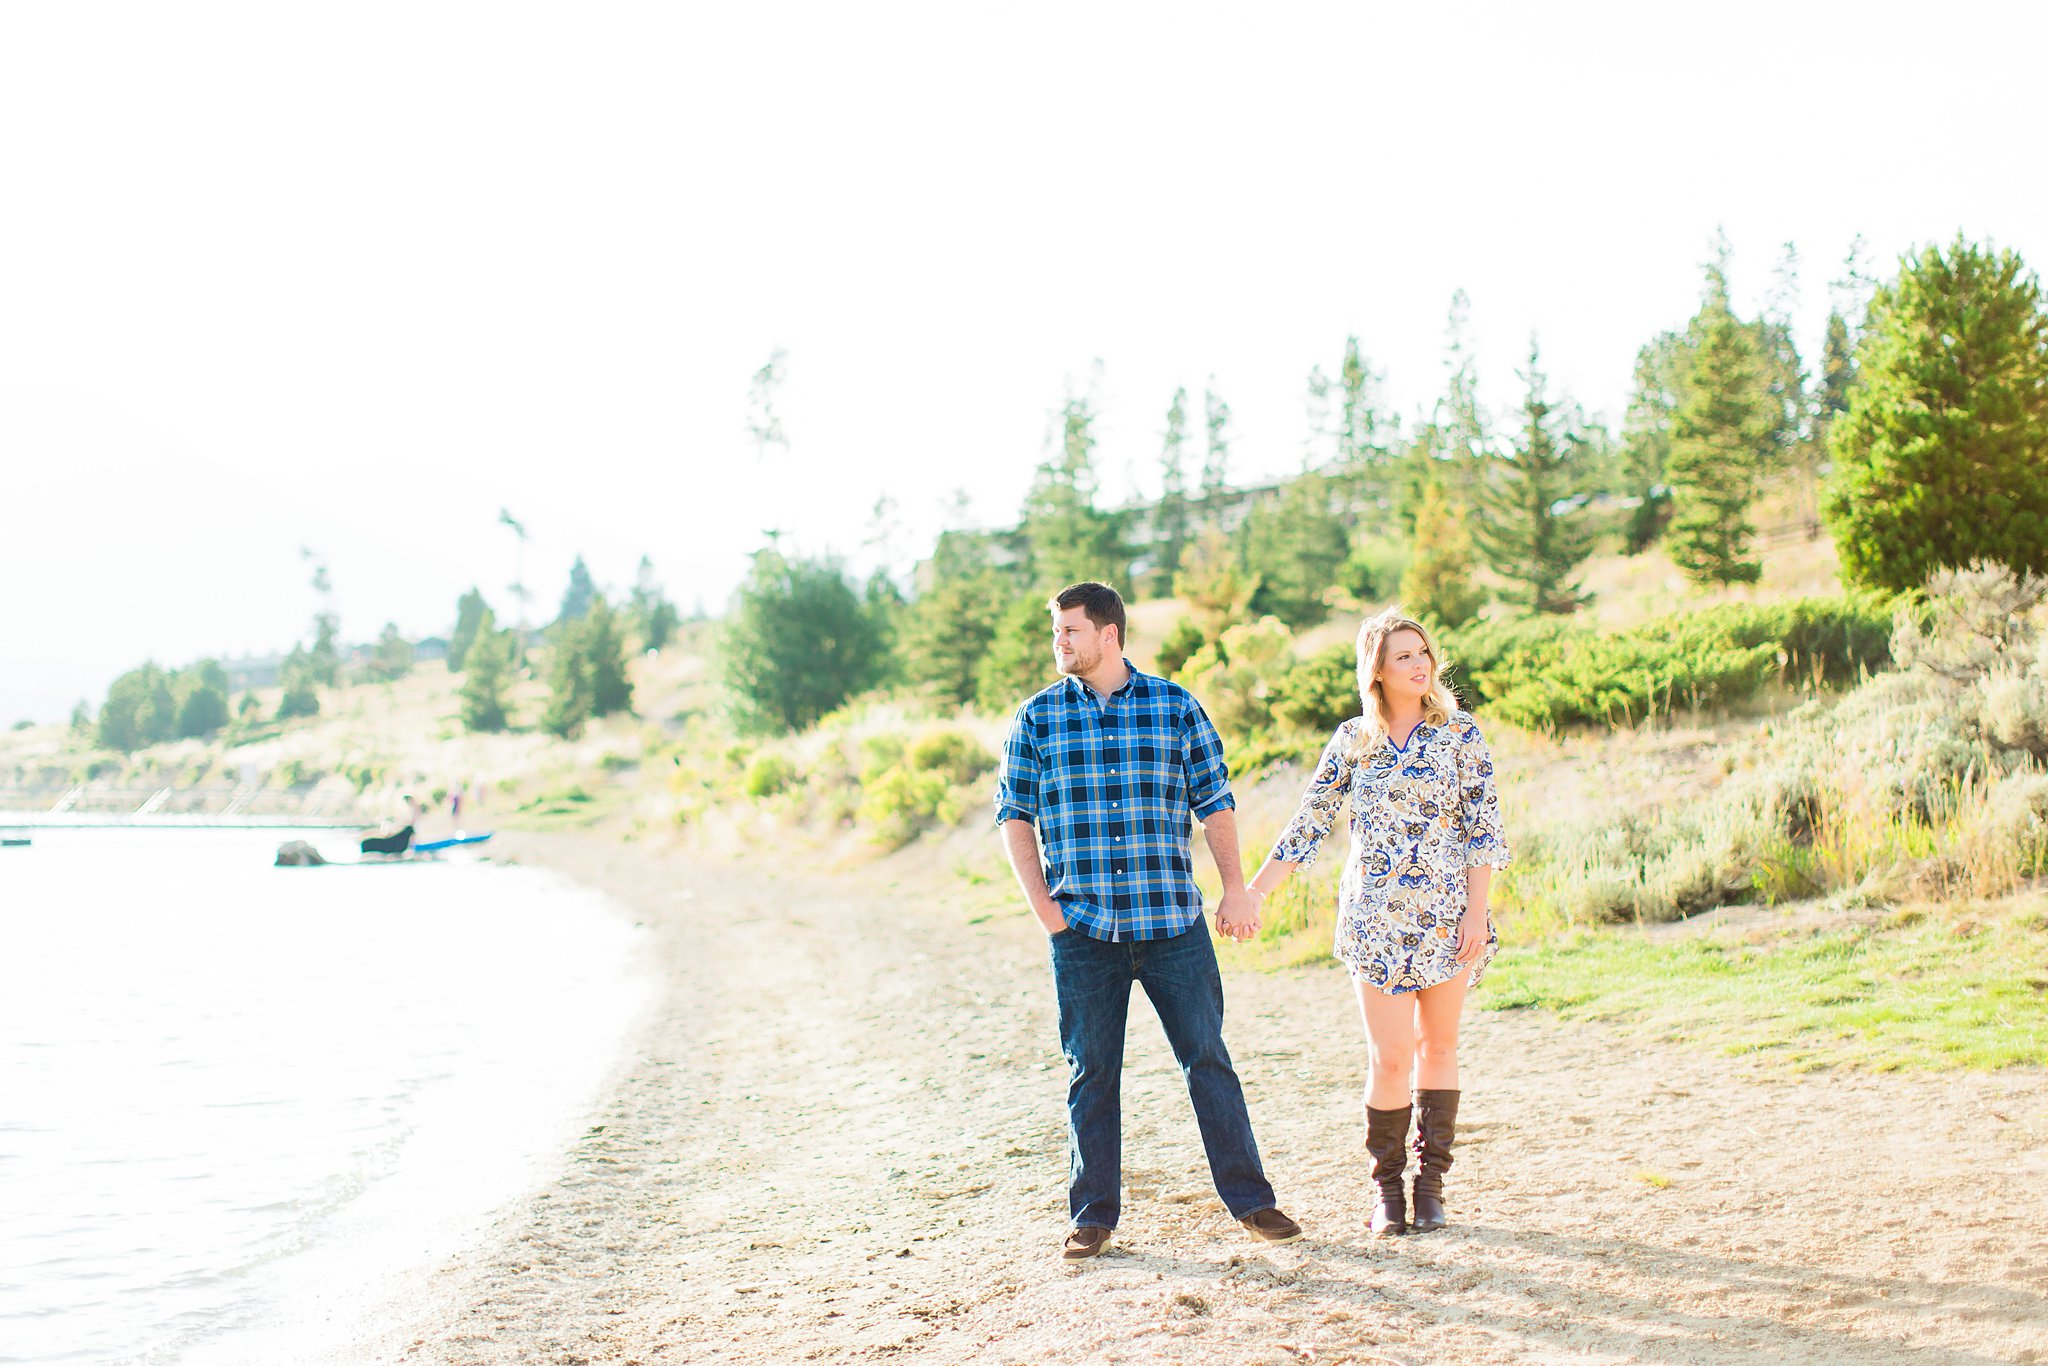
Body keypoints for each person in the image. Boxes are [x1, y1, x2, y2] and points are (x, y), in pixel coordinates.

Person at [995, 581, 1303, 1263]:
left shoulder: (1174, 706)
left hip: (1173, 926)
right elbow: (1014, 815)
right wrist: (1045, 909)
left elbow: (1215, 801)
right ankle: (1092, 1216)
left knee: (1208, 1061)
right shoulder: (1036, 719)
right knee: (1092, 1074)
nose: (1060, 643)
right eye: (1055, 632)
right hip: (1083, 932)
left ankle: (1252, 1202)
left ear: (1109, 634)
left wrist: (1234, 890)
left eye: (1070, 631)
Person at [1244, 608, 1511, 1237]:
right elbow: (1309, 823)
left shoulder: (1461, 736)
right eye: (1403, 657)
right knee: (1390, 1059)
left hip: (1448, 918)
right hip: (1375, 922)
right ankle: (1387, 1191)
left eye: (1423, 653)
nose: (1420, 665)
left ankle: (1432, 1185)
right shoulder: (1352, 741)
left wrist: (1479, 909)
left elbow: (1485, 829)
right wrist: (1253, 892)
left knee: (1439, 1048)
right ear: (1377, 670)